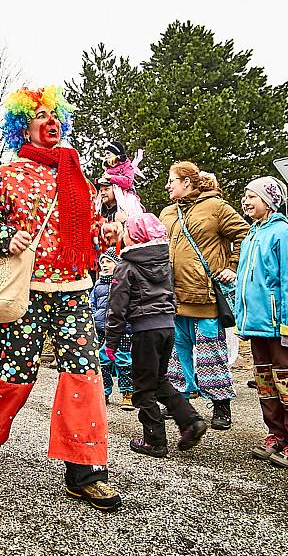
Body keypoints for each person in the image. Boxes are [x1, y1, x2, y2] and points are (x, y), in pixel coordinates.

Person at [0, 85, 121, 512]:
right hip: (27, 289)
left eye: (54, 114)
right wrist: (4, 236)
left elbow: (89, 230)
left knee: (83, 373)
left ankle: (85, 470)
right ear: (23, 126)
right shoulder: (4, 175)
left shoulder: (78, 175)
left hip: (73, 288)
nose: (49, 121)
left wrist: (103, 234)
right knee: (18, 370)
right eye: (39, 115)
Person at [105, 213, 208, 457]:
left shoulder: (126, 266)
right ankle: (190, 421)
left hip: (145, 331)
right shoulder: (163, 262)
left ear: (136, 236)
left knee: (142, 388)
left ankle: (154, 440)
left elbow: (117, 306)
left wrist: (111, 341)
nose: (123, 235)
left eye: (126, 231)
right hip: (166, 327)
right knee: (159, 379)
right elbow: (171, 293)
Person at [160, 162, 249, 430]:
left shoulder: (216, 208)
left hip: (206, 297)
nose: (168, 185)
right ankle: (179, 403)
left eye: (172, 180)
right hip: (174, 299)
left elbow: (245, 234)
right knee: (177, 354)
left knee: (211, 354)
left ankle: (221, 405)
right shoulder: (167, 212)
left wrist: (232, 267)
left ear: (187, 182)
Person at [234, 176, 288, 466]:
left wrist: (287, 323)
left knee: (286, 381)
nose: (246, 200)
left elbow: (287, 281)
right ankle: (275, 433)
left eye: (252, 195)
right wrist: (242, 319)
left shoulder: (282, 233)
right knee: (266, 382)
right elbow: (245, 280)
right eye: (245, 195)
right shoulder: (252, 234)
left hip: (278, 325)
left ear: (269, 201)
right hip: (257, 325)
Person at [90, 250, 134, 409]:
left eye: (109, 262)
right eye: (102, 262)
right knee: (102, 362)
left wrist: (128, 323)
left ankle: (127, 393)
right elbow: (92, 303)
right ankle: (105, 391)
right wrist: (95, 317)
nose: (105, 265)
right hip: (102, 329)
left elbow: (131, 304)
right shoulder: (98, 284)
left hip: (122, 330)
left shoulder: (125, 282)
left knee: (124, 361)